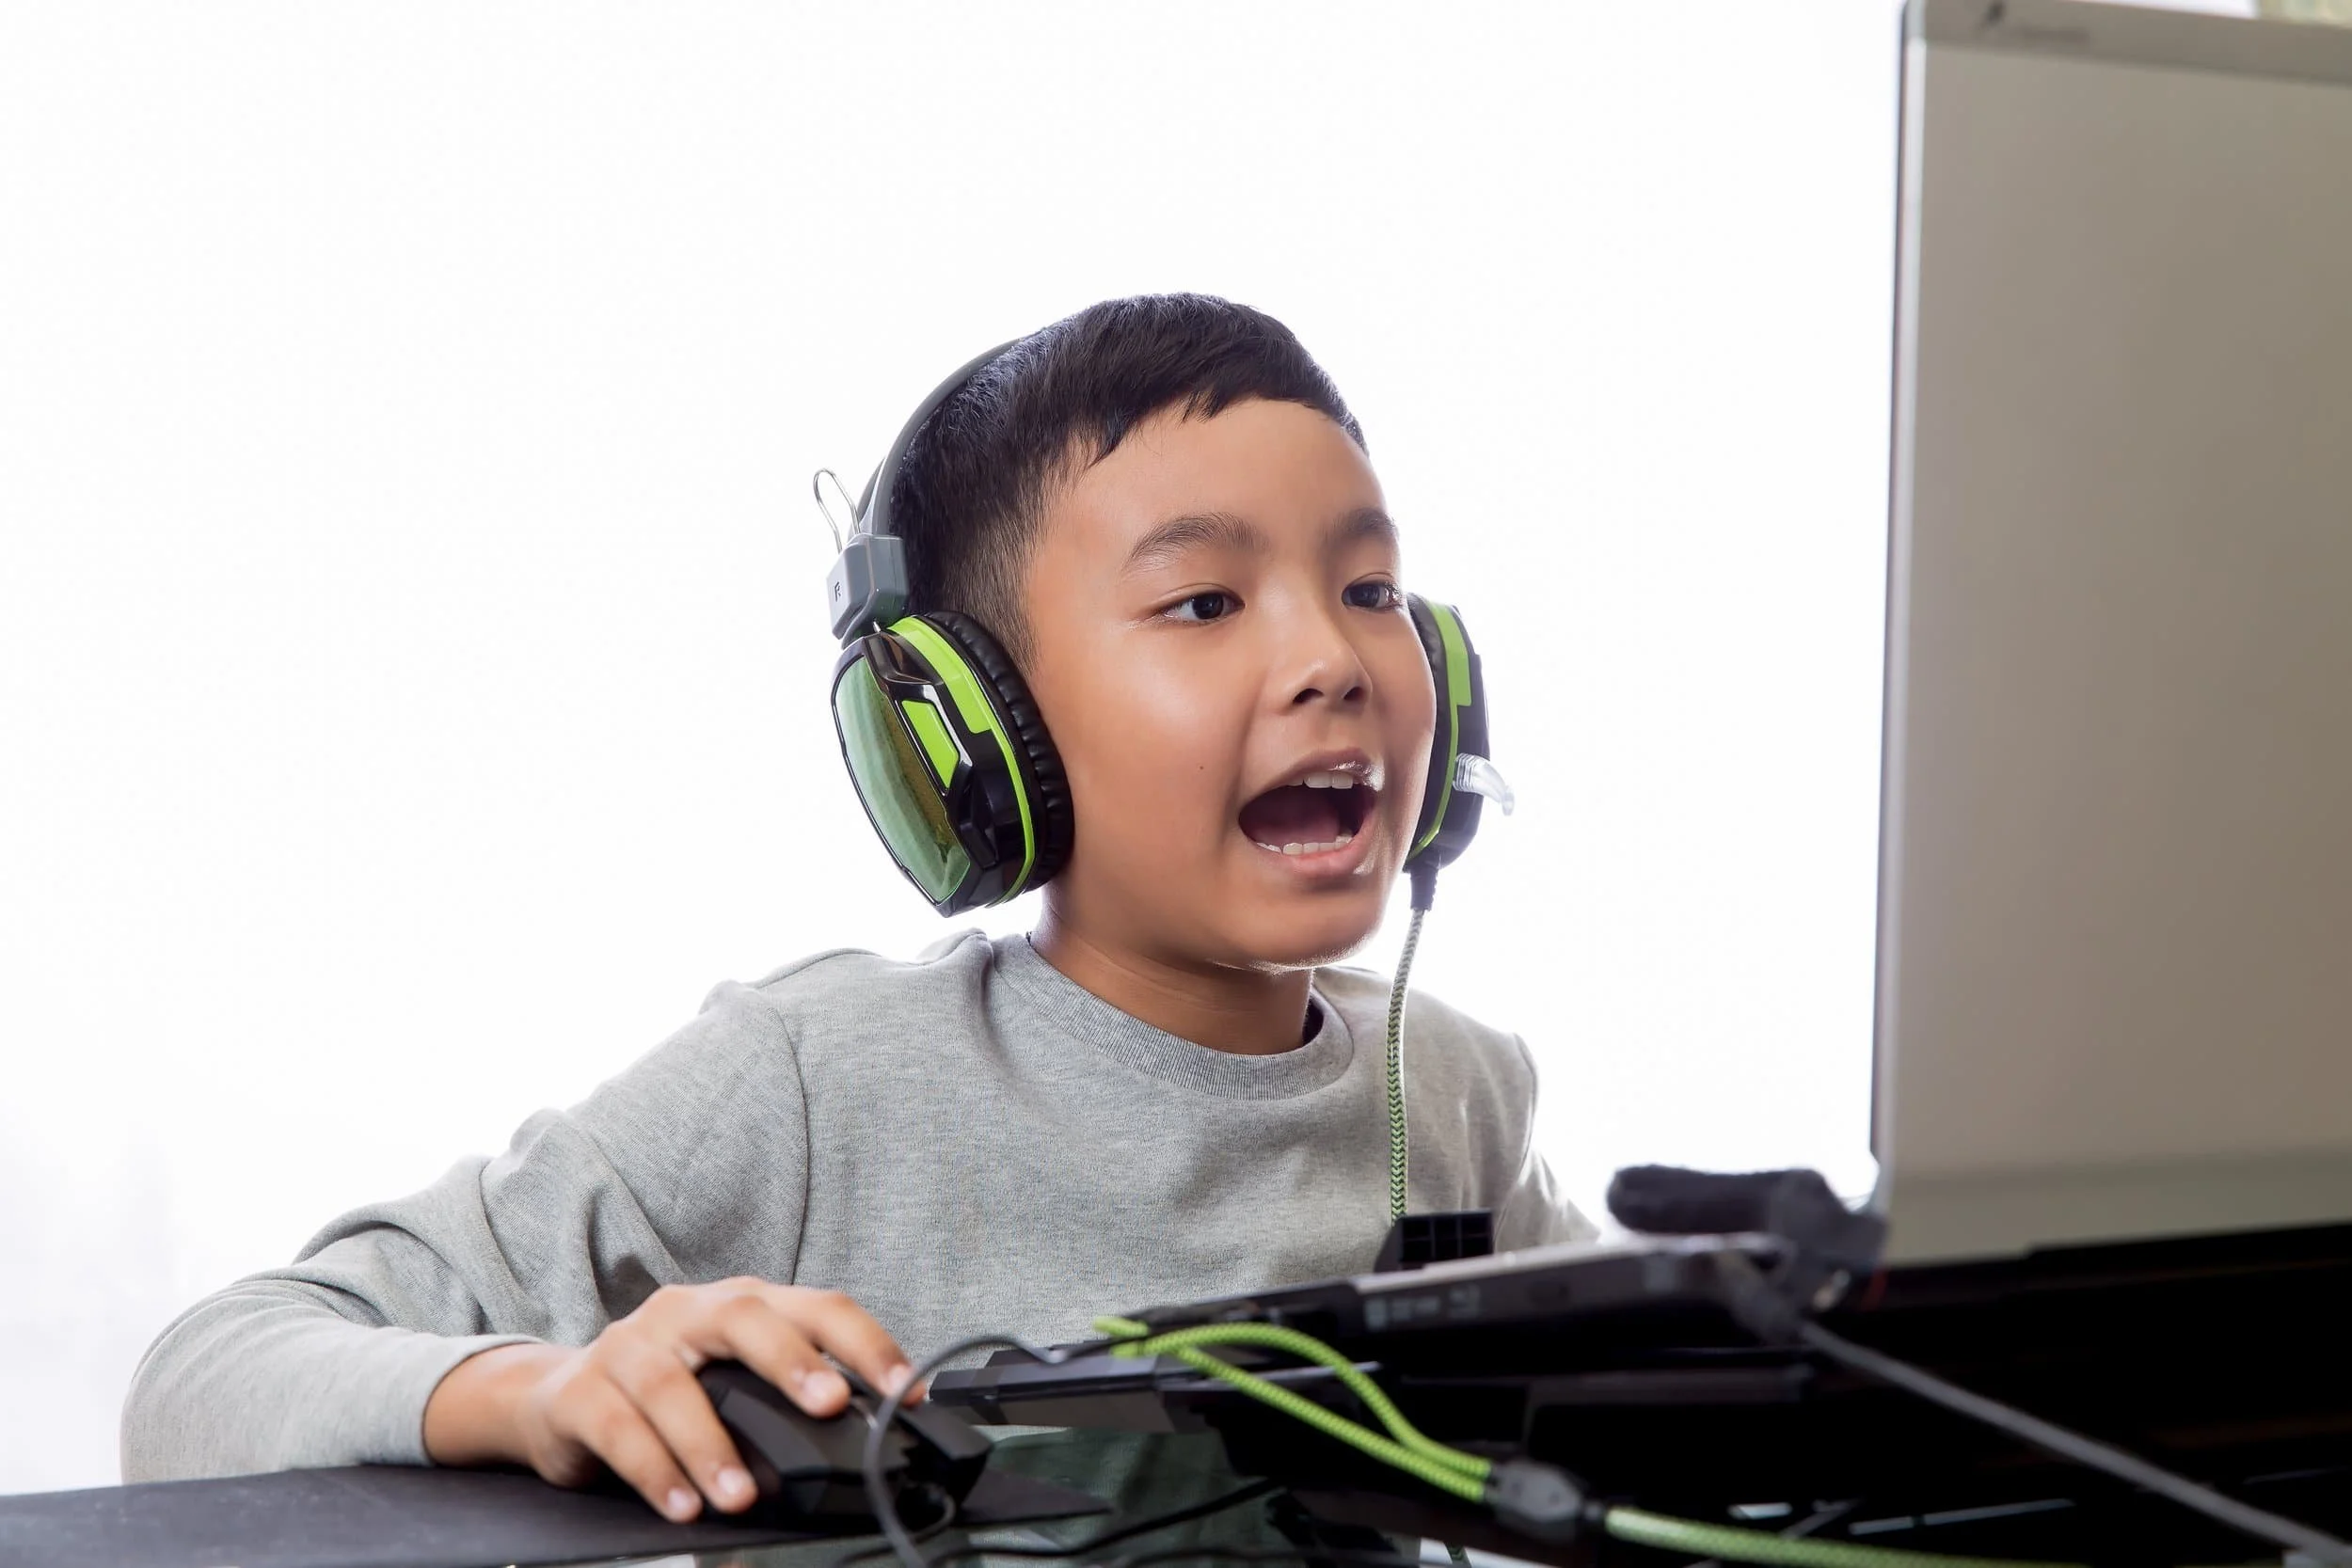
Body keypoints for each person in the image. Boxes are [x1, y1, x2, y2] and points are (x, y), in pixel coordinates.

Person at [119, 294, 1595, 1526]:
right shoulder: (822, 1081)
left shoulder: (1454, 1088)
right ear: (973, 735)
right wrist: (539, 1387)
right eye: (1205, 602)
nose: (1333, 656)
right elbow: (204, 1378)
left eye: (1373, 587)